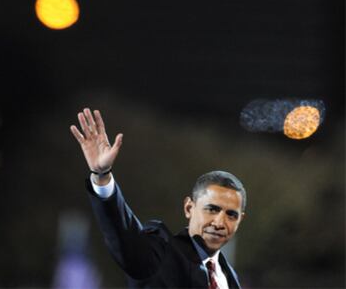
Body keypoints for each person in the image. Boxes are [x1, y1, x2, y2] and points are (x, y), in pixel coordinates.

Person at [70, 107, 246, 288]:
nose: (219, 222)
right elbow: (124, 234)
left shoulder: (229, 277)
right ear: (189, 208)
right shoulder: (160, 253)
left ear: (240, 219)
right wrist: (102, 176)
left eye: (231, 214)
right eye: (212, 209)